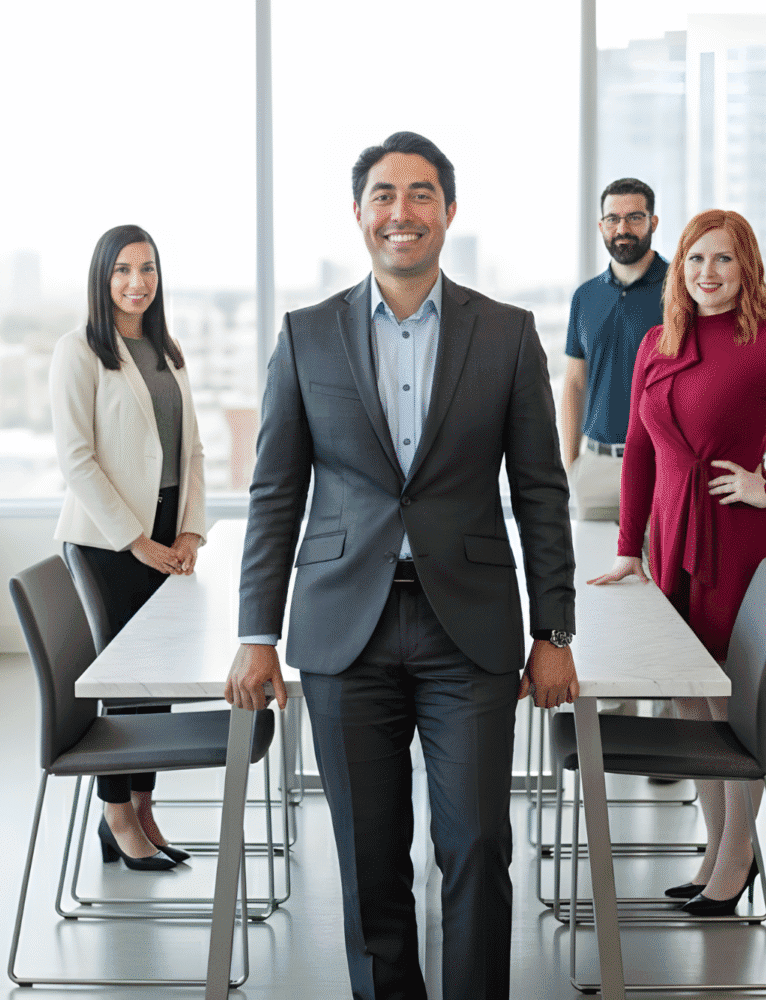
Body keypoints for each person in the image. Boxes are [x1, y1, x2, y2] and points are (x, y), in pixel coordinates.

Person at [225, 131, 577, 1000]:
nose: (402, 212)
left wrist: (555, 629)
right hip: (346, 632)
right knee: (370, 861)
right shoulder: (306, 338)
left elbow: (541, 491)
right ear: (359, 213)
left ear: (448, 212)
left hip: (473, 633)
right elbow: (275, 493)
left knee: (476, 849)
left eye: (422, 195)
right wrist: (255, 632)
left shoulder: (506, 334)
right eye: (385, 195)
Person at [589, 209, 766, 915]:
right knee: (689, 704)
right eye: (695, 259)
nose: (707, 273)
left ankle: (737, 858)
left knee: (734, 715)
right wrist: (628, 547)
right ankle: (720, 849)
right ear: (678, 267)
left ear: (748, 271)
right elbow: (640, 453)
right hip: (674, 539)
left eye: (724, 260)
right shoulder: (658, 341)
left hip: (739, 546)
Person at [50, 223, 209, 871]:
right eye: (122, 271)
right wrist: (137, 541)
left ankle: (143, 808)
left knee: (158, 681)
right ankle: (115, 817)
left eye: (147, 269)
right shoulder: (79, 351)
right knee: (124, 685)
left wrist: (191, 529)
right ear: (102, 277)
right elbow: (77, 460)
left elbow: (190, 450)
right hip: (107, 540)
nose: (136, 283)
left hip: (168, 531)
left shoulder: (167, 349)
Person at [565, 177, 668, 521]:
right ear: (601, 225)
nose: (622, 228)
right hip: (595, 467)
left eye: (635, 218)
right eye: (613, 219)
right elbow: (575, 383)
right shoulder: (585, 296)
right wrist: (571, 465)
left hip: (661, 466)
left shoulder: (681, 290)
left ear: (653, 222)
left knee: (661, 574)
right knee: (592, 571)